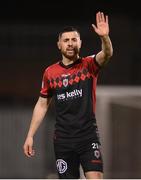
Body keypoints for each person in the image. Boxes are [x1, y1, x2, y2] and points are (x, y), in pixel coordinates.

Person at [23, 11, 113, 179]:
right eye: (66, 40)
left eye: (74, 40)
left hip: (88, 137)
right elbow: (42, 105)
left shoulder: (89, 65)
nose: (70, 44)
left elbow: (107, 54)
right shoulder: (50, 73)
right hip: (63, 141)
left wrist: (105, 37)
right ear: (59, 45)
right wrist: (30, 135)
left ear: (80, 42)